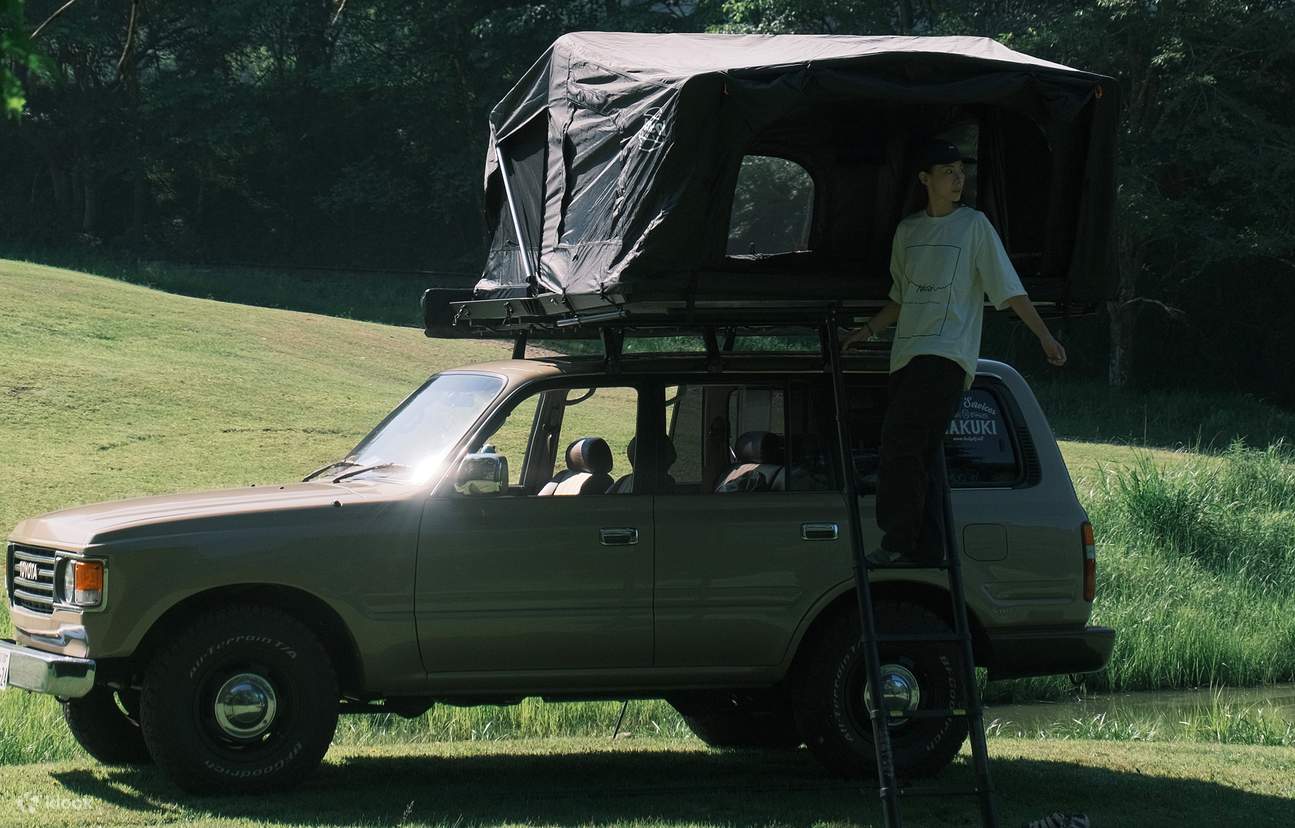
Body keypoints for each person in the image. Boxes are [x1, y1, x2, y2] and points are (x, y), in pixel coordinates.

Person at [843, 138, 1067, 563]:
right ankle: (928, 548)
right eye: (948, 172)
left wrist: (1044, 336)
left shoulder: (974, 226)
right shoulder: (908, 231)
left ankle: (896, 541)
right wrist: (867, 330)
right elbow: (901, 297)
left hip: (946, 355)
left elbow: (1009, 289)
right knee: (922, 455)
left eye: (961, 172)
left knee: (898, 442)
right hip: (905, 356)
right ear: (925, 179)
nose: (958, 179)